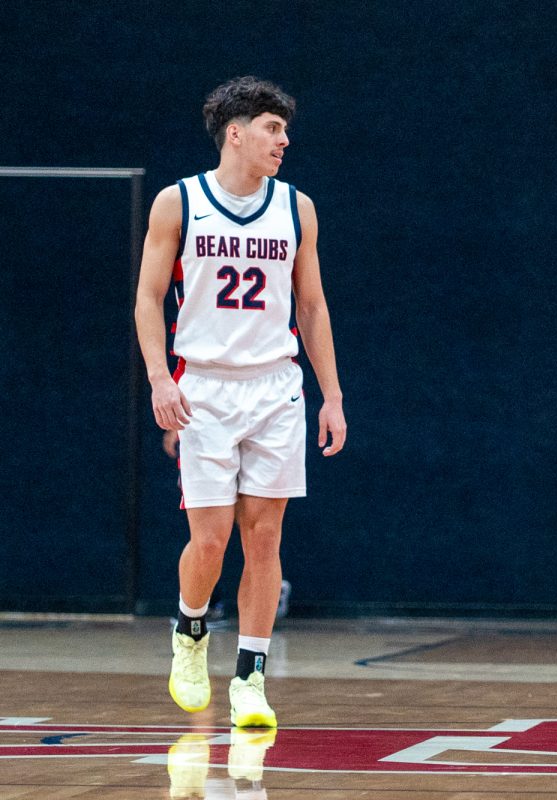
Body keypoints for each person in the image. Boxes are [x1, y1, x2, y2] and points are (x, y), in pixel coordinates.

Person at [134, 76, 346, 728]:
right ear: (236, 131)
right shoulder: (180, 202)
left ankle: (251, 678)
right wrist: (159, 380)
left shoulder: (296, 207)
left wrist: (331, 394)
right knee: (210, 540)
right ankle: (190, 628)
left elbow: (310, 304)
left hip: (275, 385)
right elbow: (147, 299)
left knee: (265, 534)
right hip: (203, 385)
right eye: (272, 128)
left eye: (284, 129)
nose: (284, 140)